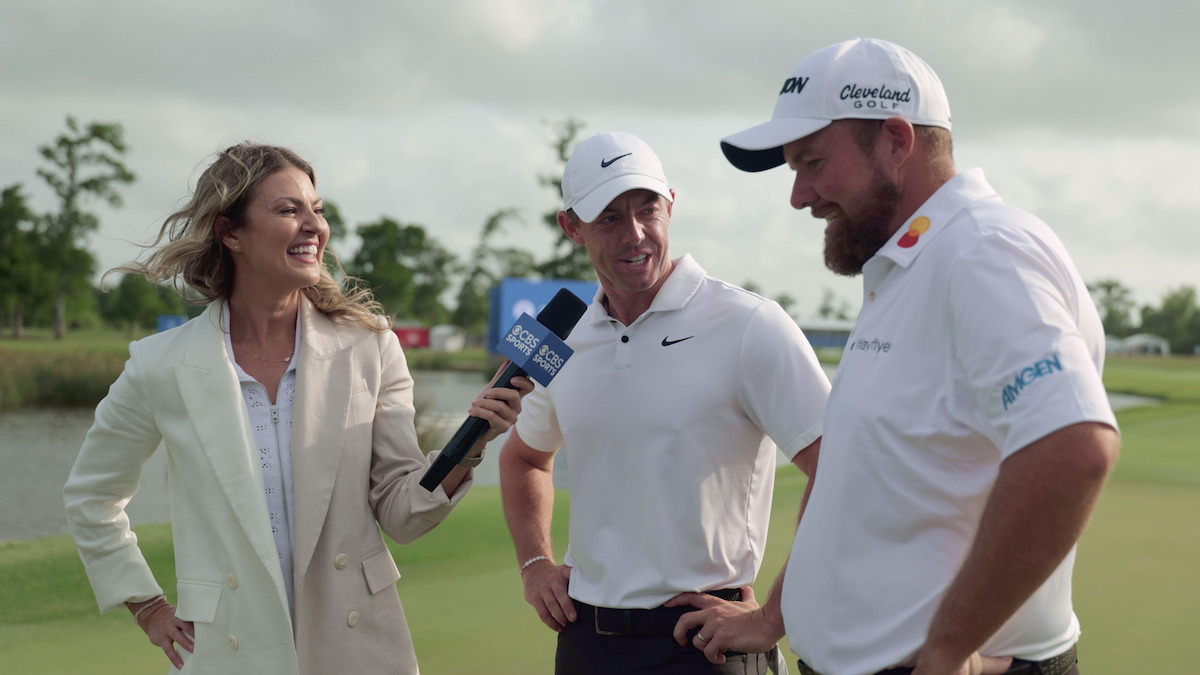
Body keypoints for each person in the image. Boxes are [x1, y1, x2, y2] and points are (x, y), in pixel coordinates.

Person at [671, 38, 1121, 675]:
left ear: (895, 141)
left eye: (813, 162)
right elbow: (856, 478)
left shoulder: (984, 252)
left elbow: (1073, 446)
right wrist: (776, 616)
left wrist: (945, 650)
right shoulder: (908, 268)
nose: (799, 196)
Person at [63, 143, 533, 674]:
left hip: (361, 651)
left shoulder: (370, 346)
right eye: (289, 210)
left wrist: (473, 440)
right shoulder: (159, 365)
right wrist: (146, 605)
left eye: (318, 209)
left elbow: (402, 514)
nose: (315, 226)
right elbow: (92, 498)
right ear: (230, 232)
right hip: (229, 655)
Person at [498, 130, 831, 674]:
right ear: (571, 227)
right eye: (609, 218)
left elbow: (838, 465)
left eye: (647, 209)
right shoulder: (561, 338)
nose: (635, 234)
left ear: (670, 206)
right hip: (586, 644)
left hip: (705, 644)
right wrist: (535, 563)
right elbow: (524, 457)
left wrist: (775, 615)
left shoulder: (751, 324)